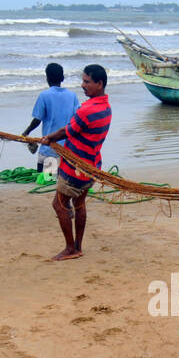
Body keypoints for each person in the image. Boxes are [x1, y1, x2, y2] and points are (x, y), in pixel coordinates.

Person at [38, 64, 111, 261]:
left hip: (75, 169)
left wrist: (48, 137)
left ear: (99, 83)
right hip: (92, 166)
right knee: (79, 204)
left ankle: (71, 248)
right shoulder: (106, 107)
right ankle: (77, 245)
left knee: (59, 205)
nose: (83, 85)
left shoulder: (86, 109)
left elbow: (66, 131)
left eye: (87, 82)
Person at [21, 62, 79, 174]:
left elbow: (37, 120)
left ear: (47, 78)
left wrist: (26, 133)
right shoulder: (72, 96)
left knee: (46, 182)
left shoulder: (44, 95)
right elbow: (77, 119)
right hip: (67, 152)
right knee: (61, 181)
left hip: (49, 150)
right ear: (62, 78)